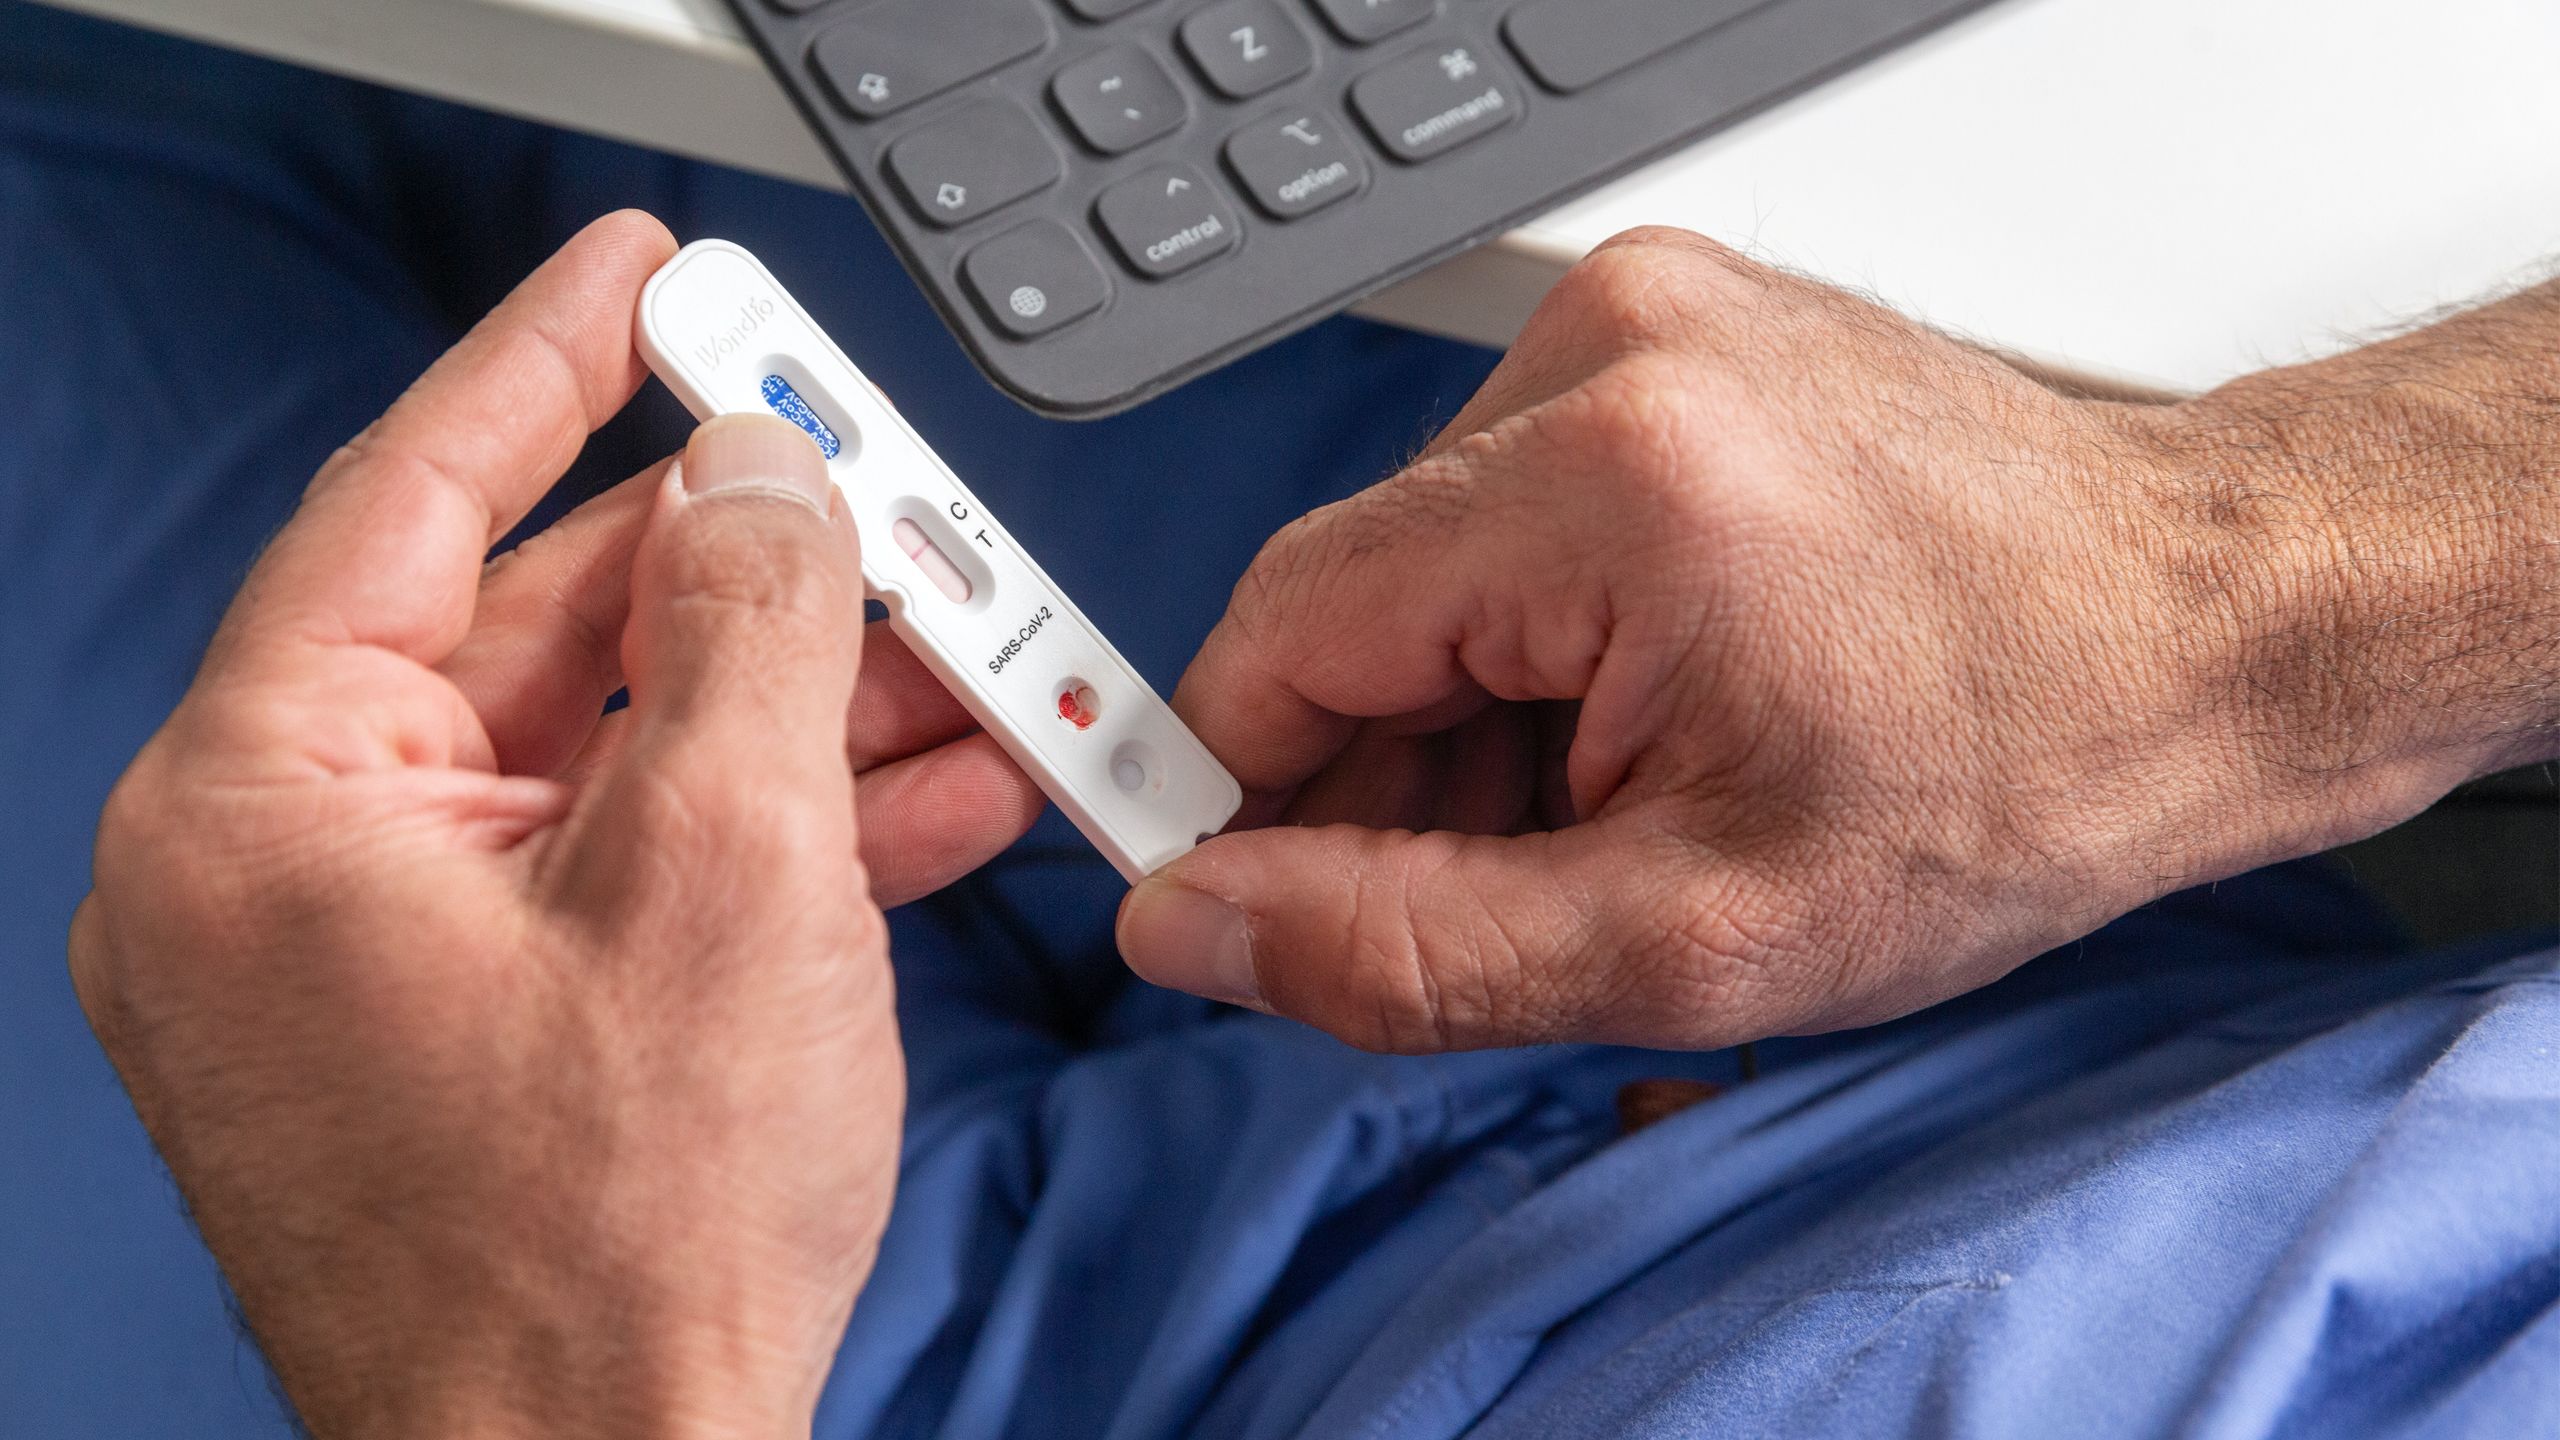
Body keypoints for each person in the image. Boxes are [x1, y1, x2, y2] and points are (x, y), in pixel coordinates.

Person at [12, 7, 2560, 1438]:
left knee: (73, 182)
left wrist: (550, 1380)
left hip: (778, 1357)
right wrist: (2253, 593)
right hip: (1971, 933)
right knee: (662, 107)